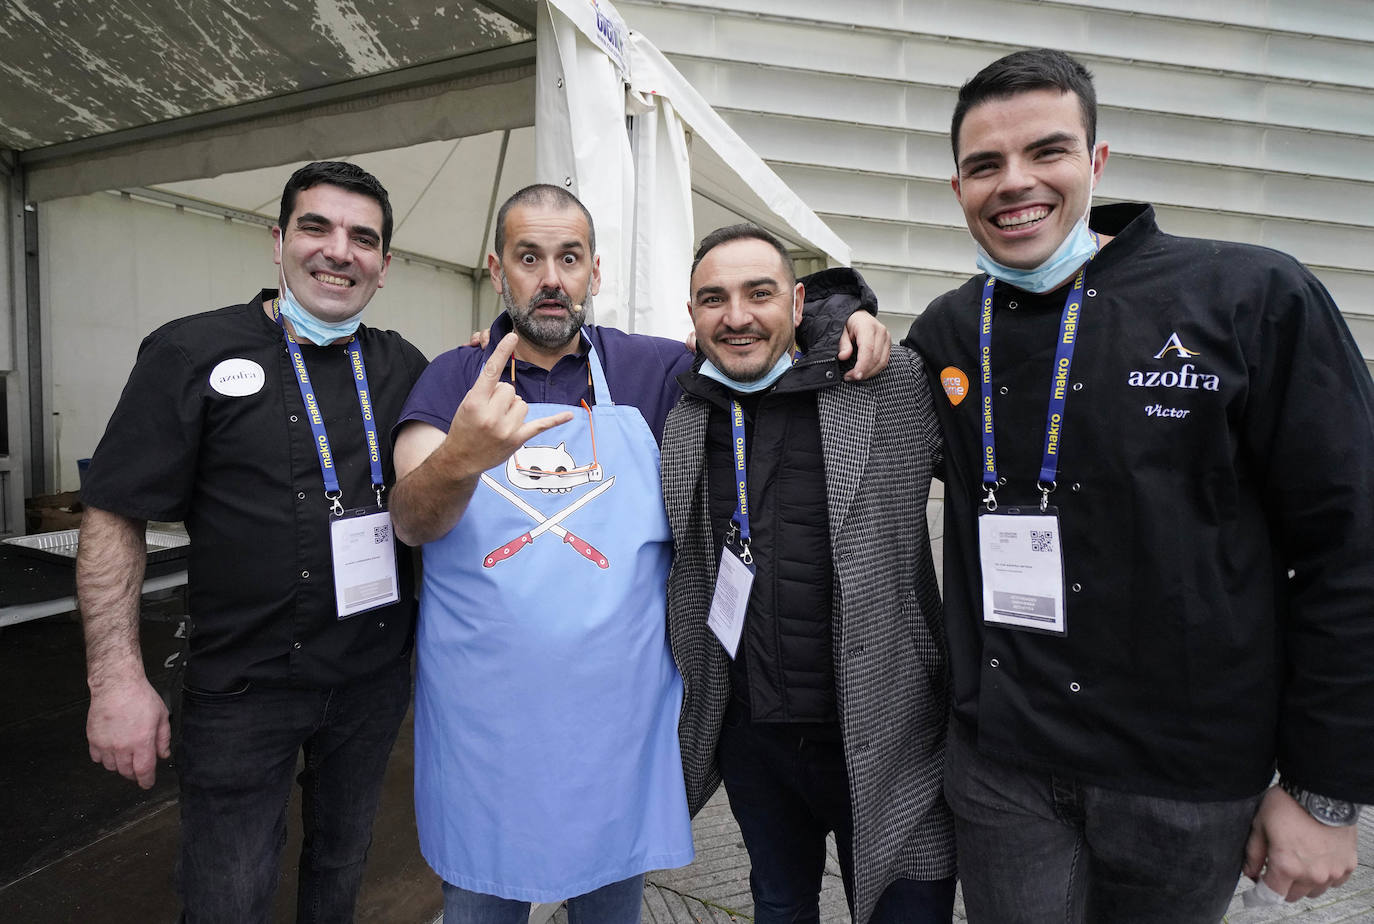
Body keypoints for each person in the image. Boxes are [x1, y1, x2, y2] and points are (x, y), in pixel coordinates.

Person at [904, 47, 1373, 923]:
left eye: (1046, 151)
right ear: (958, 188)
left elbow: (1351, 546)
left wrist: (1325, 792)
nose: (1015, 182)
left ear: (1097, 160)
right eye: (985, 165)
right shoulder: (952, 329)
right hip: (1004, 771)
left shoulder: (1250, 296)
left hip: (1185, 783)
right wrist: (840, 310)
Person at [388, 184, 890, 923]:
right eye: (529, 258)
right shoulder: (455, 377)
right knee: (482, 903)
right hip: (484, 730)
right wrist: (462, 455)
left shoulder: (651, 369)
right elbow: (410, 520)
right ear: (497, 270)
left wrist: (842, 316)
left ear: (595, 271)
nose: (551, 278)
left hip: (614, 730)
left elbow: (749, 337)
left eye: (570, 258)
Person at [77, 161, 428, 924]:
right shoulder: (190, 352)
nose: (339, 251)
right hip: (243, 689)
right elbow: (113, 515)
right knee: (228, 895)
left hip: (371, 679)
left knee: (342, 865)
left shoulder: (403, 366)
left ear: (385, 265)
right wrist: (115, 681)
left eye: (363, 238)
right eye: (316, 227)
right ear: (278, 241)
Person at [661, 225, 956, 924]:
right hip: (754, 739)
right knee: (779, 904)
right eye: (714, 299)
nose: (736, 316)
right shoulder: (685, 411)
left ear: (797, 303)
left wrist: (850, 311)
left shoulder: (888, 383)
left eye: (759, 293)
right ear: (692, 314)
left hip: (890, 737)